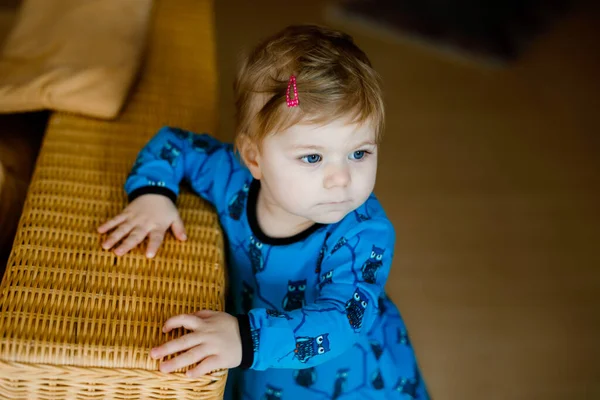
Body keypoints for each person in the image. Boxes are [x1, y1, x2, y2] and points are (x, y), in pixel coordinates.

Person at [98, 24, 429, 400]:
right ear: (254, 157)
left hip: (354, 382)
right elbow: (173, 146)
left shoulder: (364, 233)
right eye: (312, 157)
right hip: (258, 367)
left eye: (359, 153)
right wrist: (154, 195)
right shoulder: (231, 177)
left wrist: (245, 338)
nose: (341, 178)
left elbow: (343, 319)